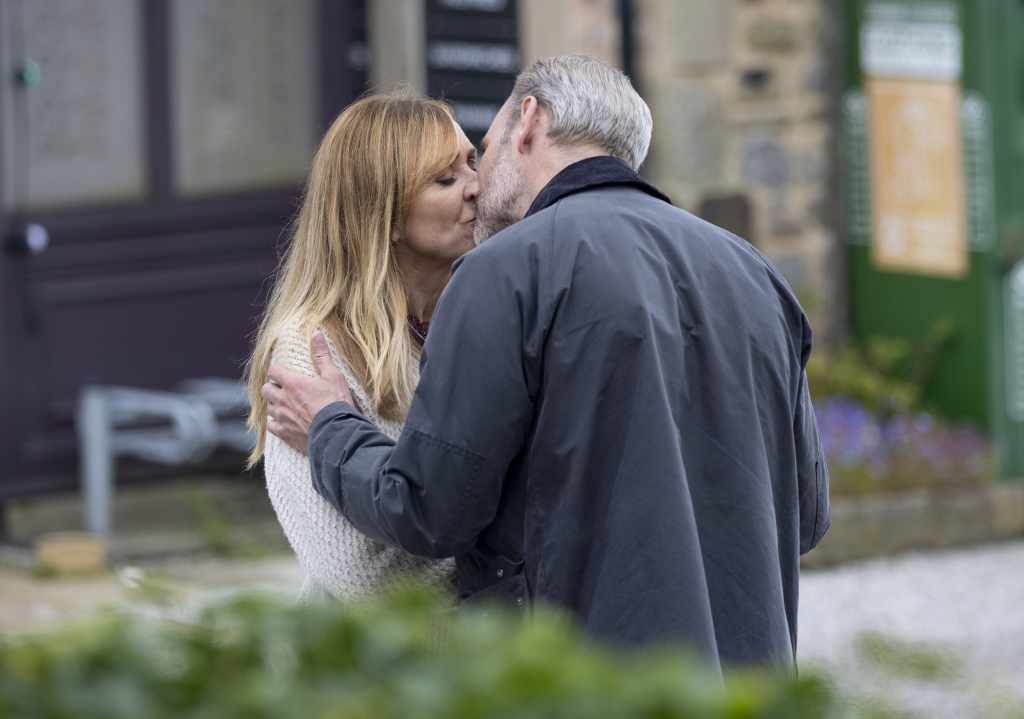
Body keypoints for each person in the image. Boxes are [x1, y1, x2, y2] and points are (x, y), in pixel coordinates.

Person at [262, 55, 831, 667]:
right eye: (447, 177)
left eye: (480, 153)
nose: (477, 184)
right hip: (746, 680)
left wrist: (333, 429)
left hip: (580, 678)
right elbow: (805, 515)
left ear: (527, 121)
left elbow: (430, 511)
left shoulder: (509, 271)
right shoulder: (754, 271)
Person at [244, 93, 480, 599]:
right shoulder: (309, 349)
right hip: (381, 666)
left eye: (473, 164)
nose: (477, 188)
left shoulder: (481, 320)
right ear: (385, 215)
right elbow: (363, 574)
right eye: (446, 179)